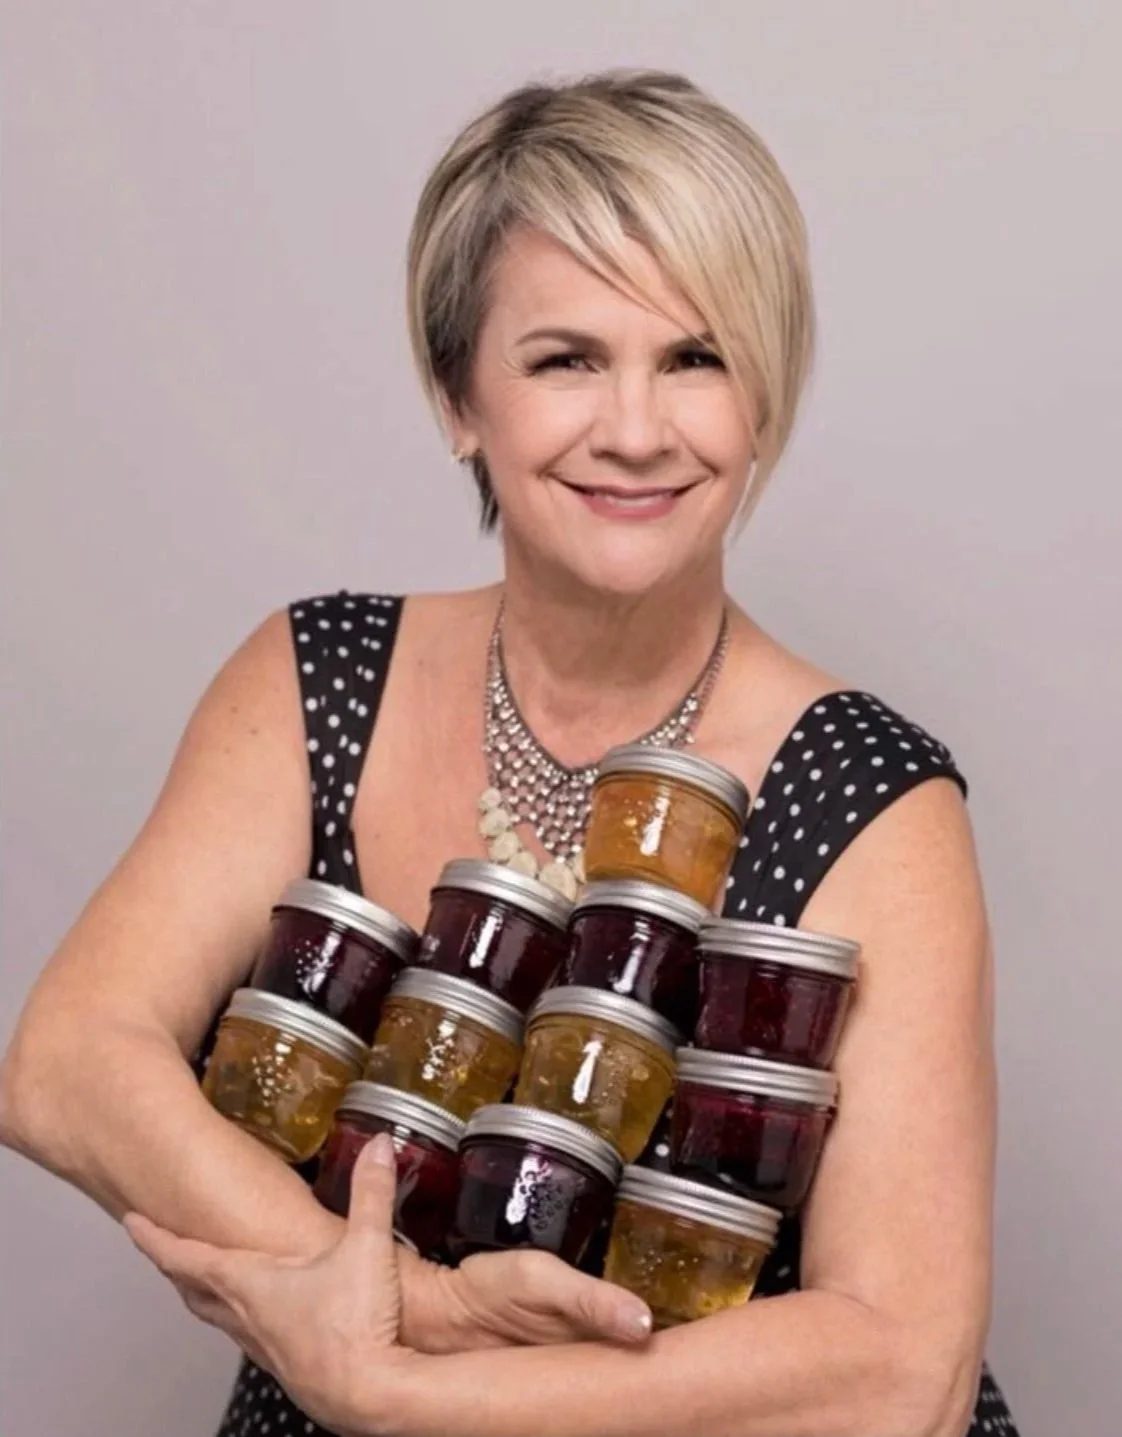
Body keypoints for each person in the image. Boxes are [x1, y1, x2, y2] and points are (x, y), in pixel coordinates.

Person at [0, 69, 1020, 1437]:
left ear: (763, 397)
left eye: (696, 358)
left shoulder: (873, 794)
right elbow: (67, 1061)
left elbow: (904, 1371)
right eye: (565, 359)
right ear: (456, 395)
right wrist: (406, 1313)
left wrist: (415, 1399)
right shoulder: (316, 675)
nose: (638, 429)